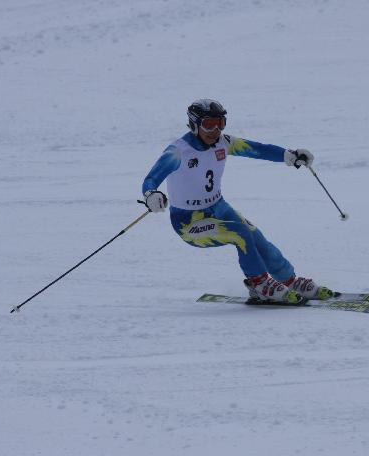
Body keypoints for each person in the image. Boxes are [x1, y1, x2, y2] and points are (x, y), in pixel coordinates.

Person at [141, 99, 333, 304]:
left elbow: (257, 149)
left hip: (219, 207)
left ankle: (289, 281)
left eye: (220, 123)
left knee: (257, 239)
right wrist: (151, 194)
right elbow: (151, 179)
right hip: (189, 222)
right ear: (194, 125)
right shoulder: (178, 151)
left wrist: (289, 155)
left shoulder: (224, 142)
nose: (215, 130)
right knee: (240, 234)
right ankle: (259, 283)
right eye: (209, 124)